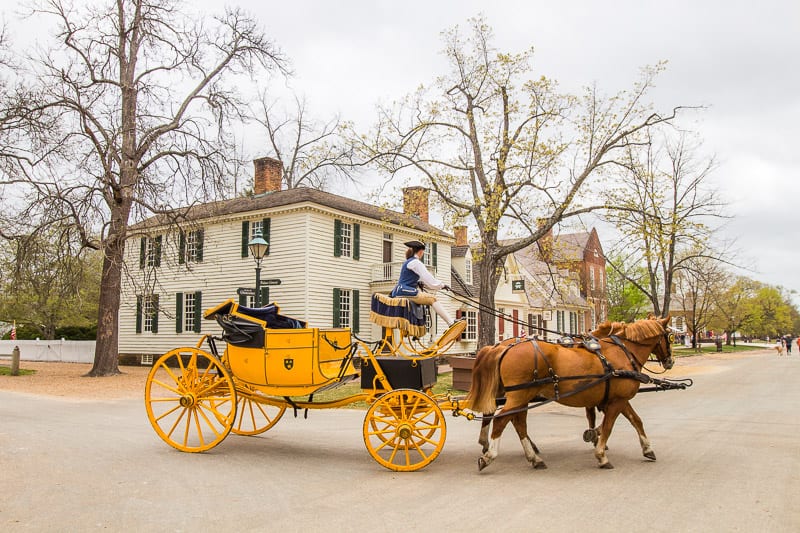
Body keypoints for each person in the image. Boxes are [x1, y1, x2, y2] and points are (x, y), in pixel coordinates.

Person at [391, 240, 458, 327]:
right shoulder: (416, 263)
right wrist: (442, 285)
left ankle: (450, 322)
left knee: (430, 298)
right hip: (405, 291)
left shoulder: (409, 262)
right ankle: (451, 323)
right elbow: (429, 280)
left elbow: (412, 278)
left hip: (401, 290)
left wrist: (419, 282)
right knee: (432, 299)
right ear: (421, 252)